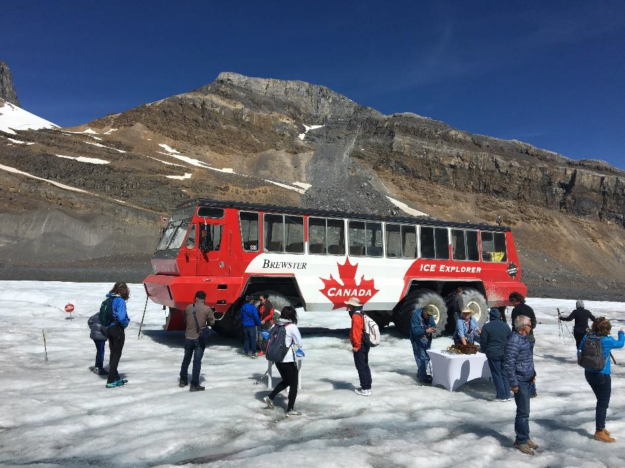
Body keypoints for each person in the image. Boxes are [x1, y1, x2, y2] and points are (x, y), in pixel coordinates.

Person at [579, 317, 624, 443]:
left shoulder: (587, 337)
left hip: (588, 372)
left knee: (601, 401)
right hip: (602, 375)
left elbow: (580, 349)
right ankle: (599, 431)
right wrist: (621, 333)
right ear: (607, 329)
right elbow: (620, 344)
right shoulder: (608, 340)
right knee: (602, 403)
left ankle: (601, 426)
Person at [504, 315, 538, 455]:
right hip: (520, 381)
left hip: (527, 379)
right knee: (523, 413)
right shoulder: (514, 341)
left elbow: (527, 359)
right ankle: (521, 441)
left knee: (525, 412)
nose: (531, 327)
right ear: (523, 327)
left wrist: (533, 374)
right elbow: (509, 364)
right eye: (530, 325)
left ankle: (525, 436)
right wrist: (514, 383)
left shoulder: (523, 339)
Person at [263, 306, 303, 416]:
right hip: (288, 359)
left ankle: (270, 397)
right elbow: (300, 344)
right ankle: (290, 409)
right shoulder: (292, 327)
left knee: (286, 381)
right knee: (293, 384)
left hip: (277, 359)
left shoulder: (275, 325)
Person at [179, 291, 215, 392]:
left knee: (186, 359)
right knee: (197, 362)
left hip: (188, 337)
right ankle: (194, 384)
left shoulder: (188, 307)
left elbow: (185, 319)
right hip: (199, 339)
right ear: (204, 298)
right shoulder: (207, 309)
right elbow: (212, 323)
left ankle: (183, 380)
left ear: (195, 298)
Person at [102, 282, 130, 388]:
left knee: (113, 353)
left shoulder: (109, 299)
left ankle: (116, 377)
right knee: (117, 355)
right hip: (117, 329)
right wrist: (126, 323)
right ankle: (110, 380)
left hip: (109, 328)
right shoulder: (120, 301)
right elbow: (121, 317)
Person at [509, 292, 538, 398]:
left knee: (519, 364)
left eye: (511, 301)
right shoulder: (529, 308)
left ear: (515, 300)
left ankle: (522, 389)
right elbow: (533, 324)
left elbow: (514, 326)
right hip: (530, 338)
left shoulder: (516, 310)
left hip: (520, 340)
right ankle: (532, 389)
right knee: (529, 362)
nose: (511, 304)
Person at [480, 307, 512, 401]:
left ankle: (501, 396)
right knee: (504, 374)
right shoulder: (505, 326)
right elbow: (510, 339)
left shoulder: (486, 326)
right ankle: (507, 394)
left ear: (490, 316)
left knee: (496, 374)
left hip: (493, 353)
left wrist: (485, 350)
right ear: (499, 316)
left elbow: (483, 341)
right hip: (505, 353)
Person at [347, 297, 372, 396]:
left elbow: (356, 332)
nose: (348, 306)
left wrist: (356, 346)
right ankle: (368, 386)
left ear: (352, 306)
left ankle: (365, 388)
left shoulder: (356, 316)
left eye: (349, 305)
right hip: (365, 342)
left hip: (360, 344)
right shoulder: (362, 313)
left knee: (361, 366)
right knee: (365, 365)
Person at [410, 305, 436, 383]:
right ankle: (422, 378)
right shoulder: (415, 316)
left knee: (427, 356)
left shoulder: (429, 315)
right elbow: (414, 330)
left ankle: (421, 373)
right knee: (420, 357)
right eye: (427, 315)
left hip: (427, 339)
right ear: (424, 311)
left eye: (430, 315)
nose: (429, 316)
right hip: (417, 339)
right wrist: (426, 331)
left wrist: (433, 328)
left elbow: (433, 324)